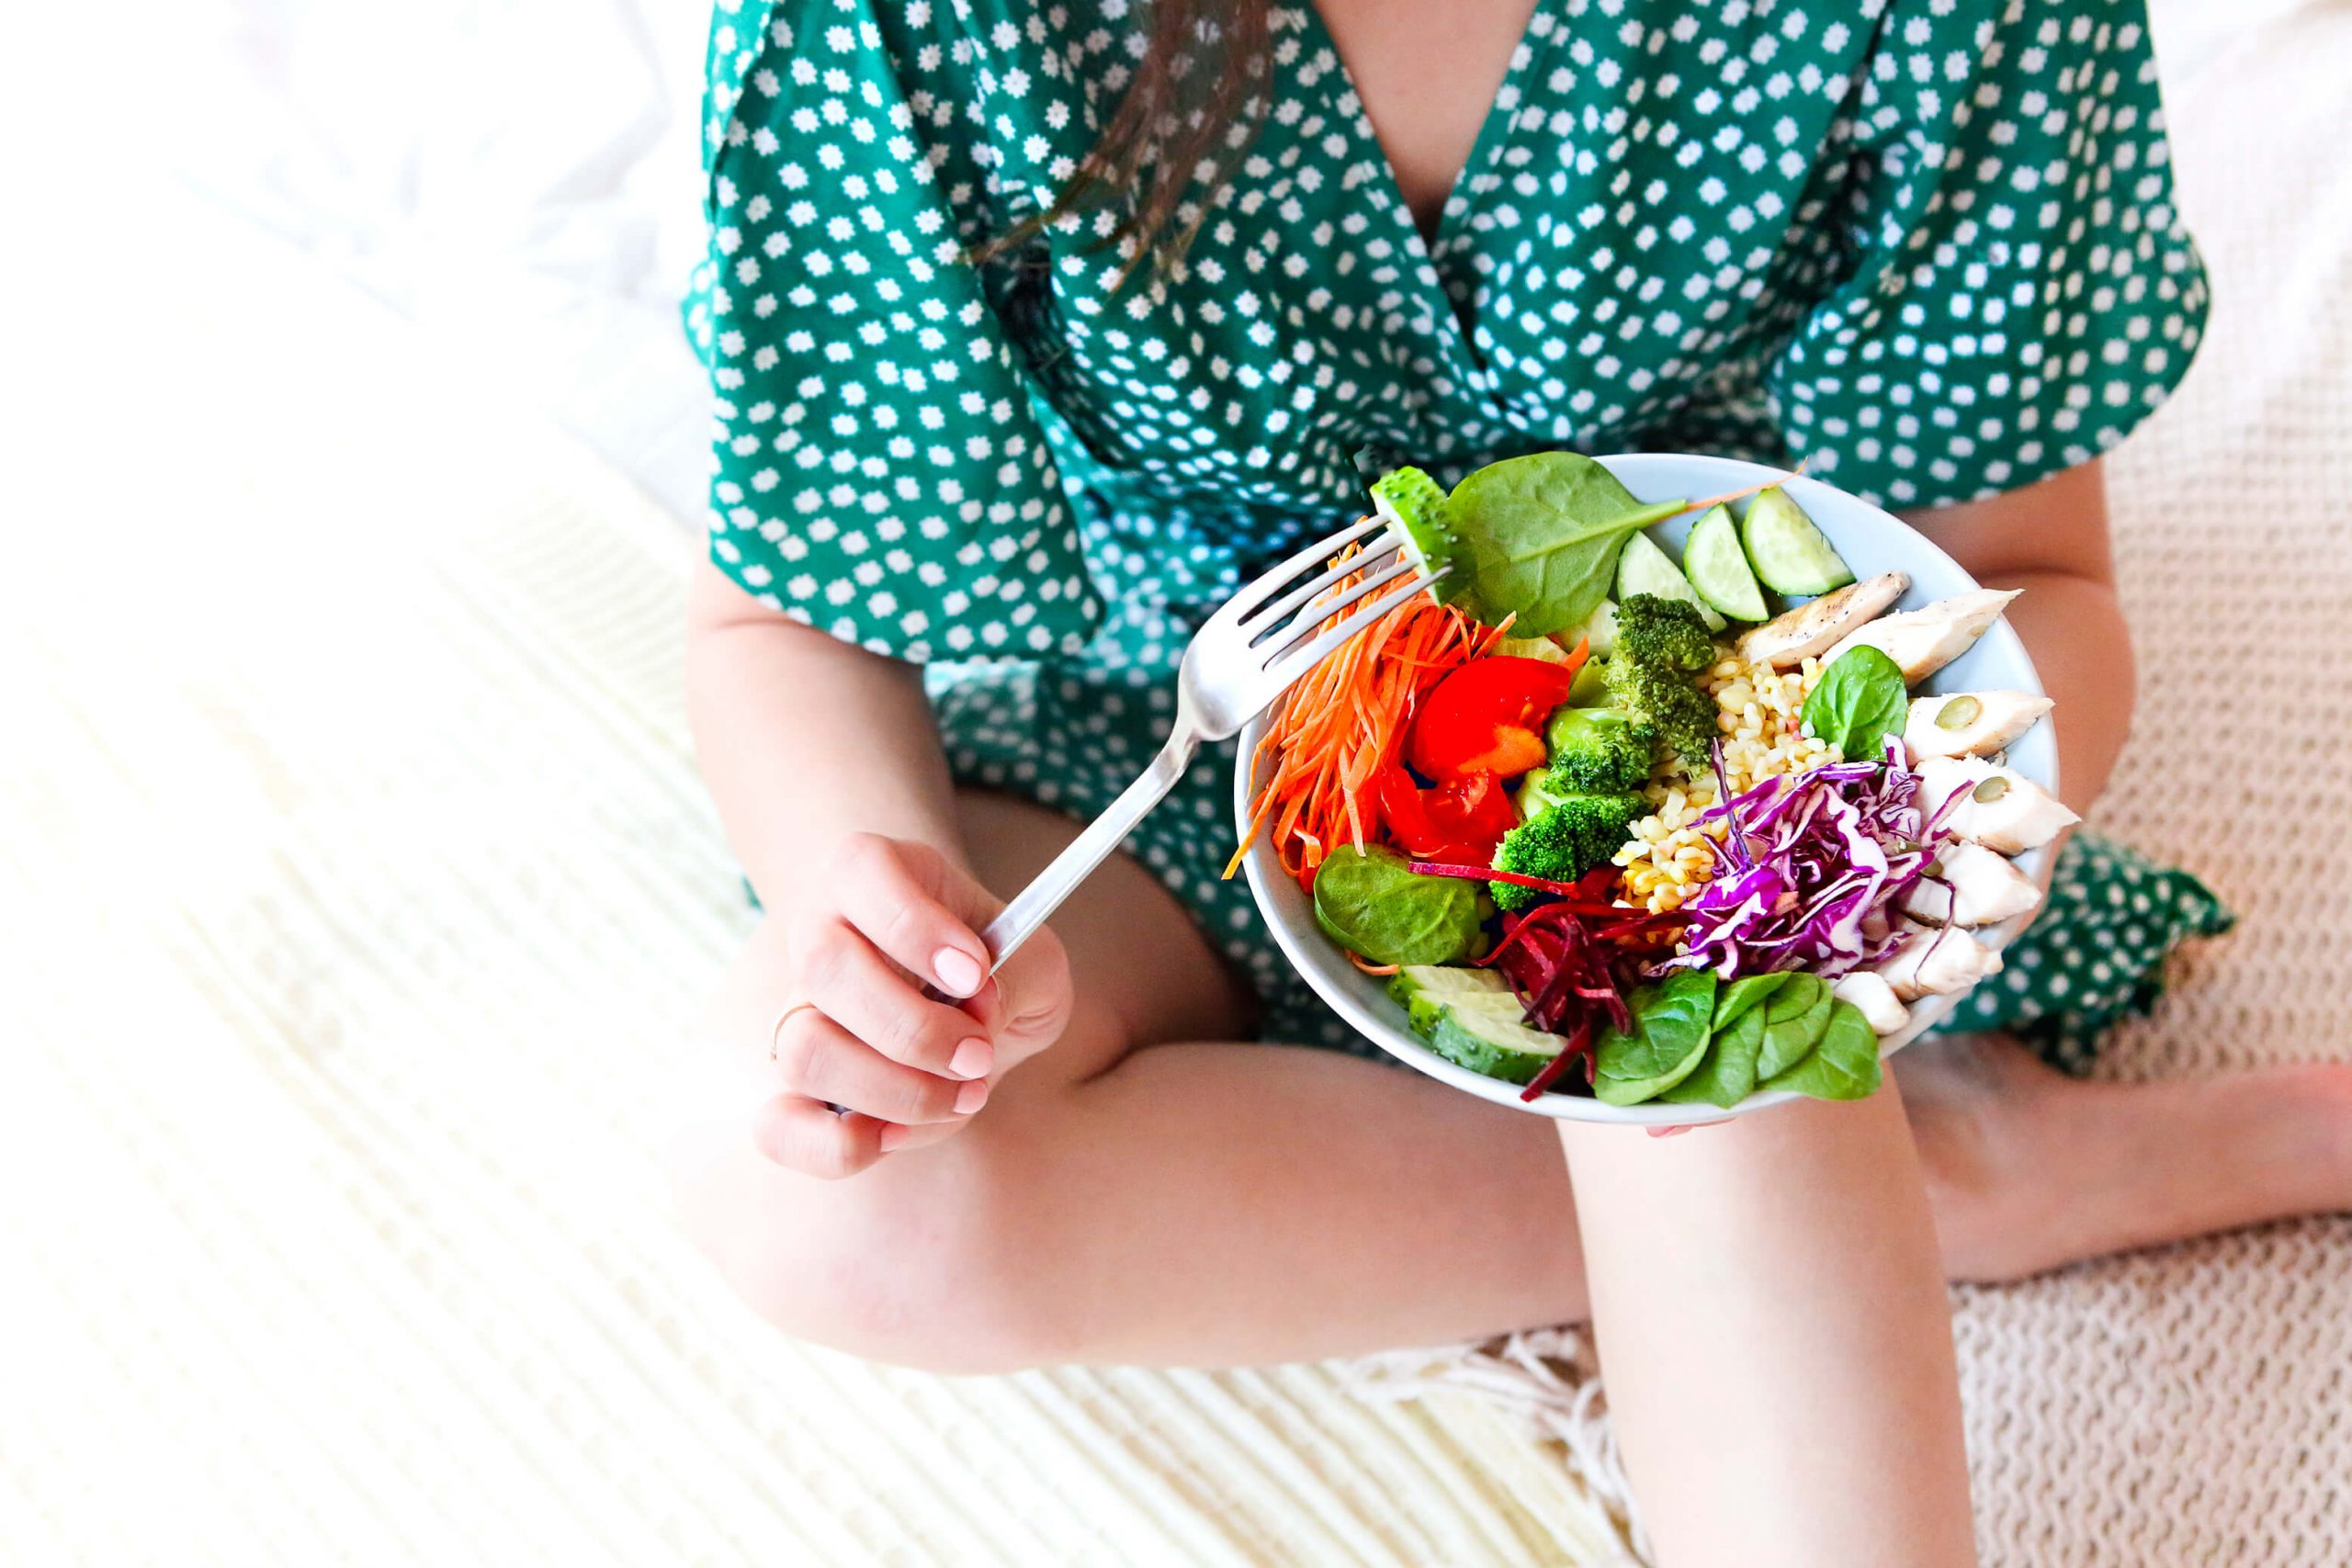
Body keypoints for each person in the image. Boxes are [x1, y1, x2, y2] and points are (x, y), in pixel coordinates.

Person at [668, 0, 2351, 1545]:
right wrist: (877, 915)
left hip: (1710, 756)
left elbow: (2026, 578)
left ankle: (1831, 1136)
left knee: (1701, 1103)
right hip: (1147, 736)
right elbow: (784, 621)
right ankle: (1951, 1173)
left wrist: (1856, 862)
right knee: (834, 1203)